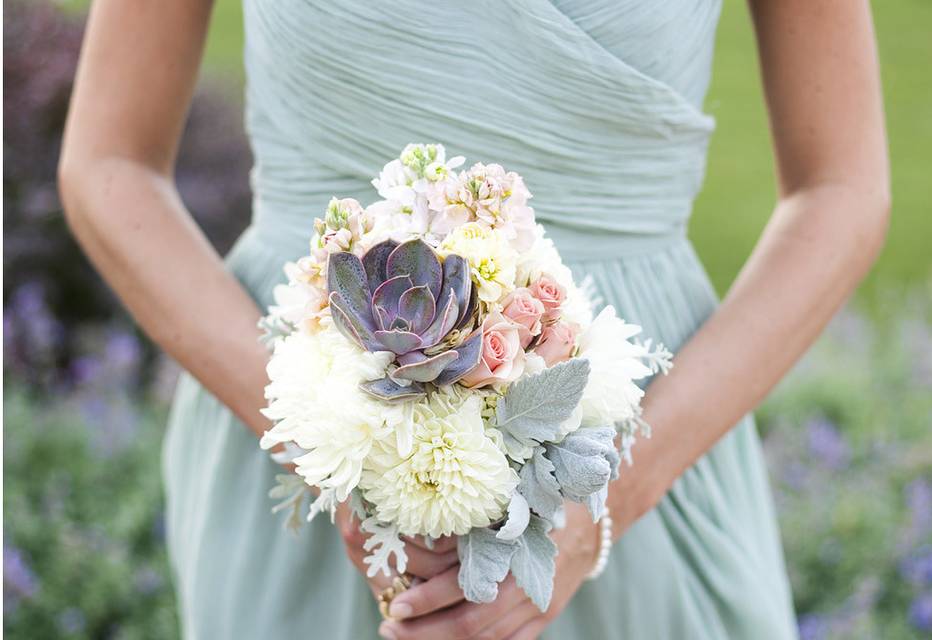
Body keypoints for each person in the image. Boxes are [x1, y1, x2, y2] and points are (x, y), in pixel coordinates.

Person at [59, 1, 889, 638]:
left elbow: (841, 189)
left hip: (644, 445)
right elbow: (110, 163)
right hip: (301, 444)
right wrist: (328, 453)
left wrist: (603, 504)